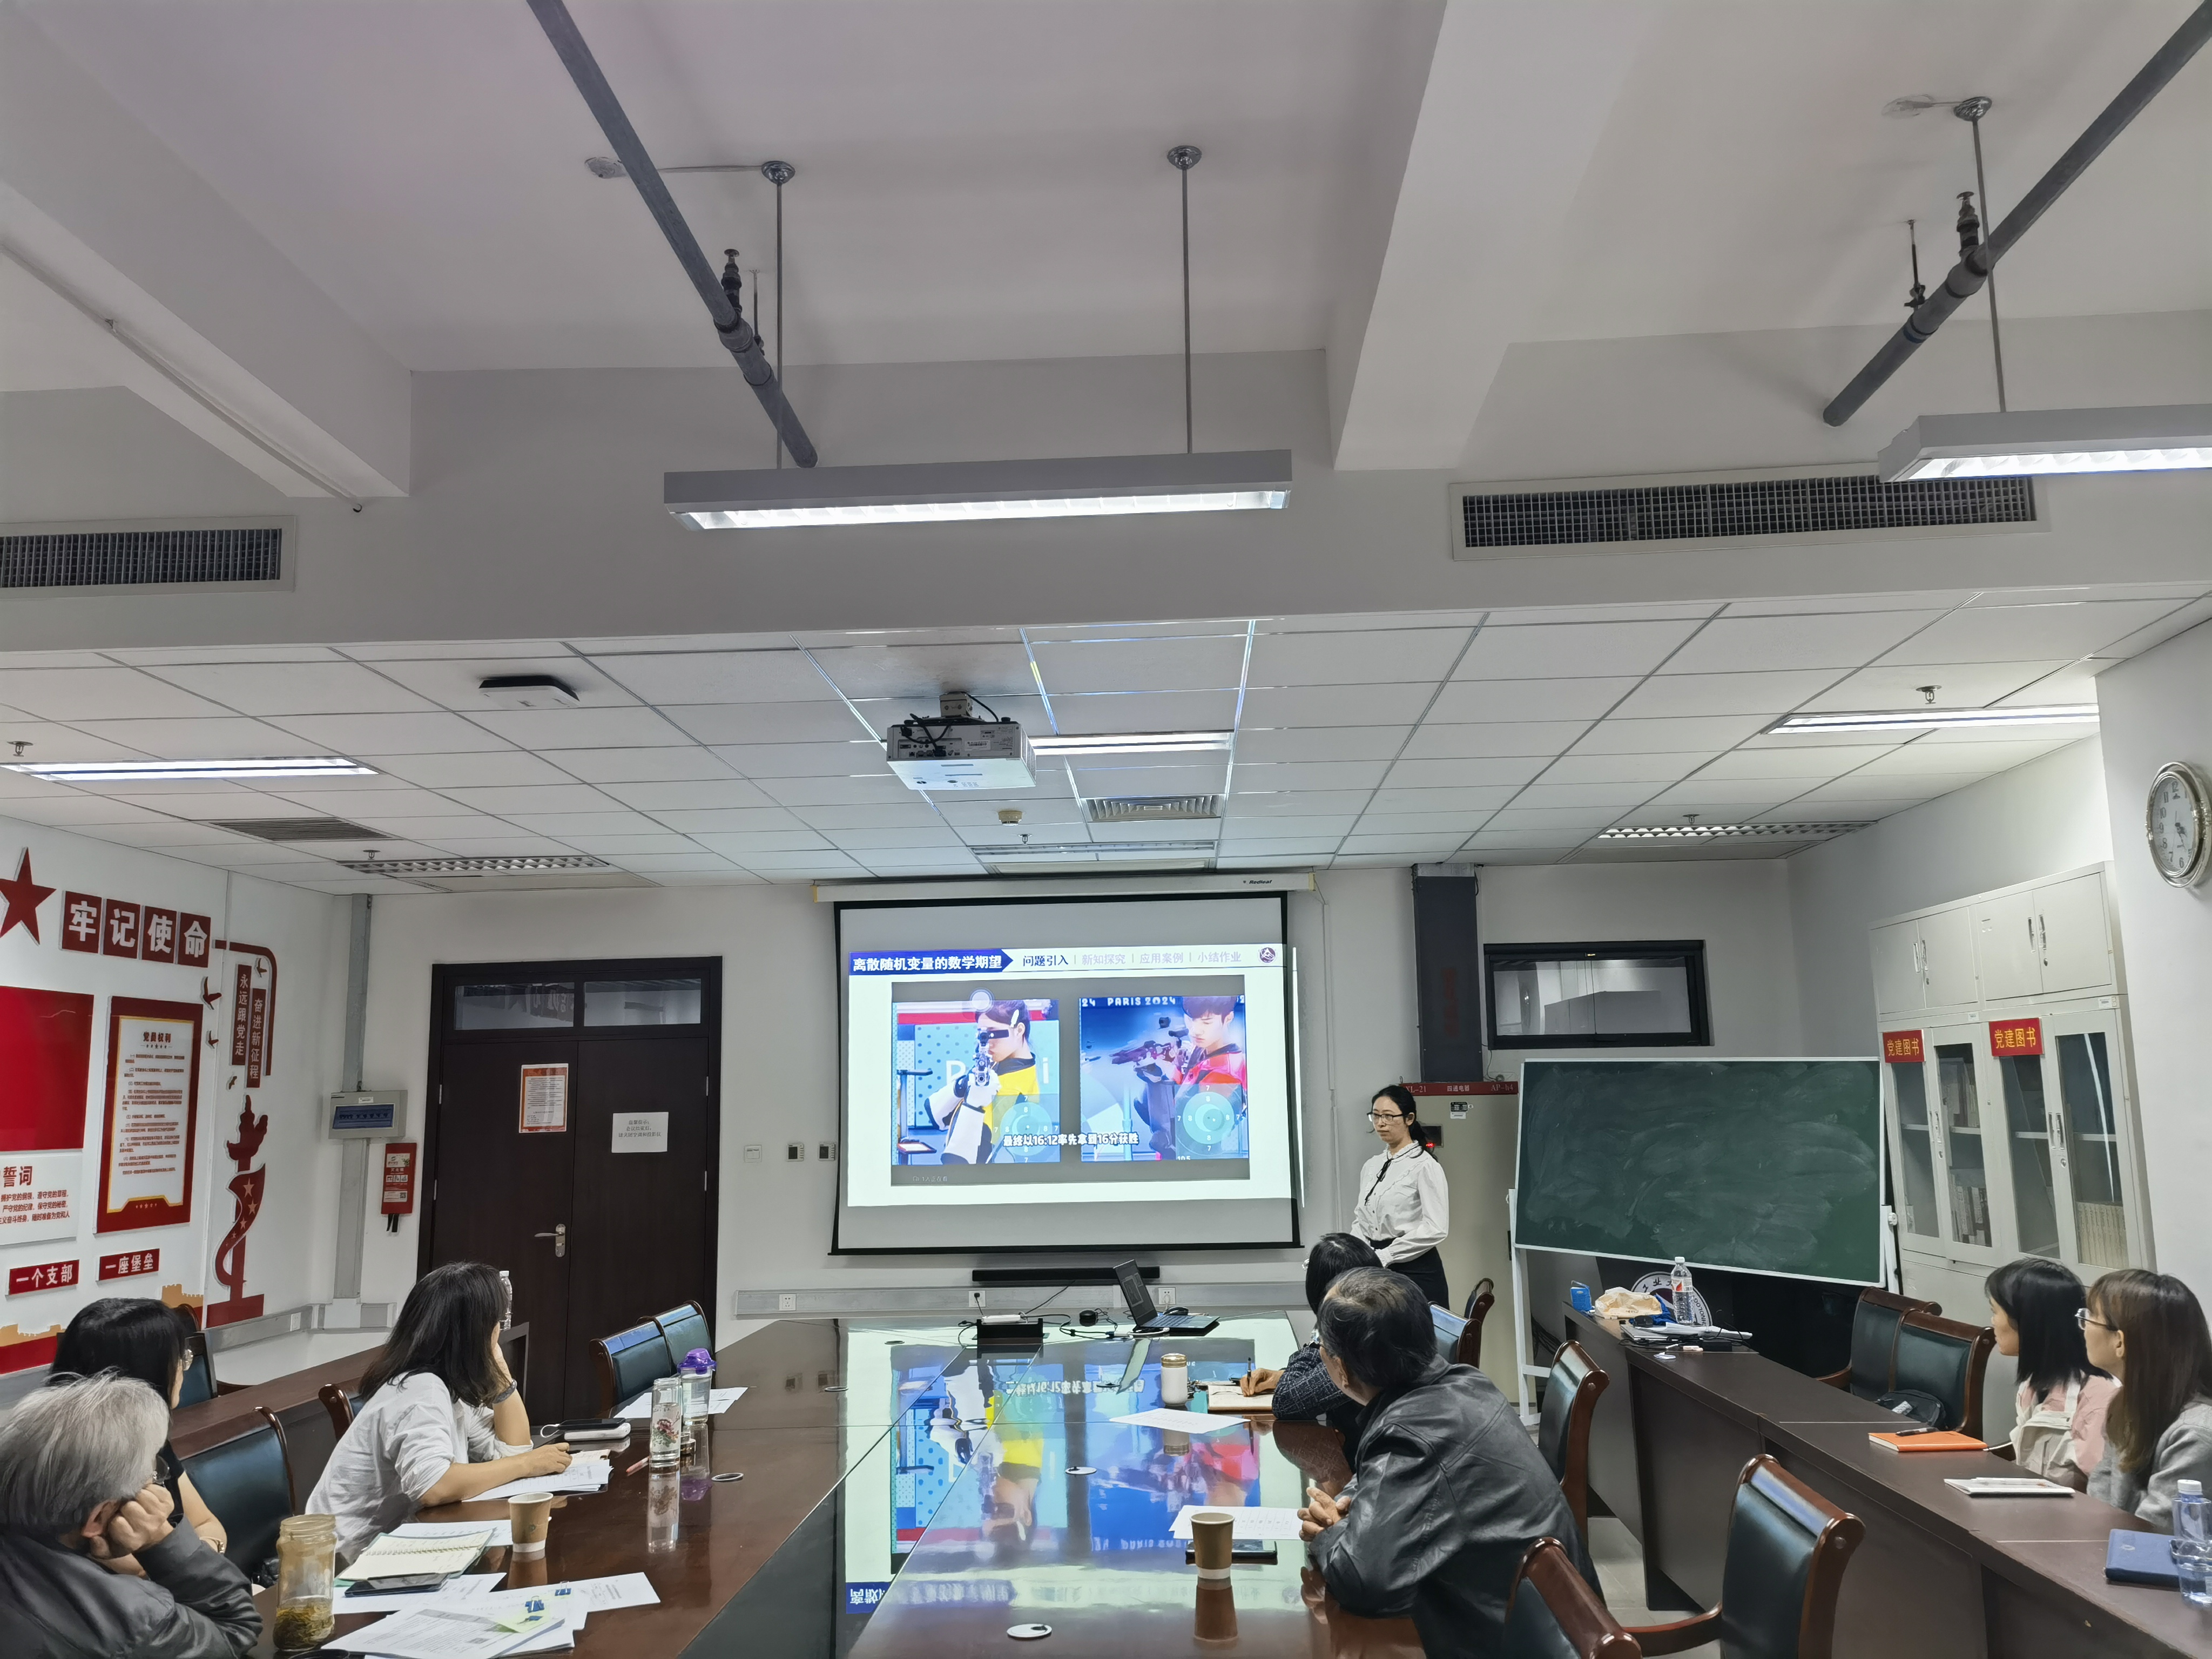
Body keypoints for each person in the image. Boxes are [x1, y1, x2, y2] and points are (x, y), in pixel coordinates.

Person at [1298, 1267, 1594, 1658]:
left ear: (1340, 1368)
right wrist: (1347, 1506)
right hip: (1546, 1624)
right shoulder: (1467, 1383)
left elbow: (1363, 1583)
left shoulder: (1408, 1435)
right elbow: (1385, 1479)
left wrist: (1330, 1534)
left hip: (1510, 1641)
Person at [307, 1262, 572, 1560]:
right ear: (476, 1332)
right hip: (347, 1561)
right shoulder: (421, 1389)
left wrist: (499, 1370)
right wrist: (527, 1465)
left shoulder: (447, 1384)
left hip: (400, 1544)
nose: (499, 1330)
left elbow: (511, 1450)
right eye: (495, 1322)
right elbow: (435, 1486)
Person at [0, 1372, 260, 1657]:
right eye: (149, 1479)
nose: (155, 1488)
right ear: (97, 1518)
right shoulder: (133, 1621)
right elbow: (237, 1629)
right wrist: (160, 1542)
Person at [48, 1299, 228, 1569]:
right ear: (146, 1372)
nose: (183, 1368)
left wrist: (203, 1554)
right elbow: (138, 1571)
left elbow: (207, 1524)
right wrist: (197, 1560)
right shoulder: (75, 1470)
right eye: (179, 1359)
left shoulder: (149, 1440)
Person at [2081, 1268, 2212, 1528]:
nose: (2083, 1329)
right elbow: (2099, 1504)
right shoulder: (2125, 1405)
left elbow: (2156, 1531)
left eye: (2090, 1318)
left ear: (2120, 1342)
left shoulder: (2194, 1433)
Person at [1239, 1233, 1381, 1450]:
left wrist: (1321, 1334)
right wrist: (1281, 1376)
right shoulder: (1381, 1320)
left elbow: (1287, 1402)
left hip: (1367, 1461)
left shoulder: (1362, 1349)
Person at [1984, 1258, 2116, 1488]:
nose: (1992, 1321)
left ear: (2029, 1321)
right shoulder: (2035, 1384)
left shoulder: (2098, 1400)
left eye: (1995, 1312)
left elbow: (2107, 1495)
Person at [1350, 1084, 1450, 1307]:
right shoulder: (1372, 1165)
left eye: (1388, 1116)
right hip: (1376, 1268)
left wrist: (1387, 1255)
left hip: (1415, 1269)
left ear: (1409, 1119)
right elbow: (1361, 1219)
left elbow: (1436, 1228)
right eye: (1376, 1116)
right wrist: (1358, 1253)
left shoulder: (1425, 1165)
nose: (1380, 1123)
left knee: (1416, 1328)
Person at [927, 999, 1043, 1164]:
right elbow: (935, 1115)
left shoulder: (1008, 1086)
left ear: (1019, 1030)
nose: (987, 1042)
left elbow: (957, 1161)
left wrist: (973, 1105)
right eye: (982, 1034)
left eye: (993, 1033)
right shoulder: (1008, 1064)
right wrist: (963, 1085)